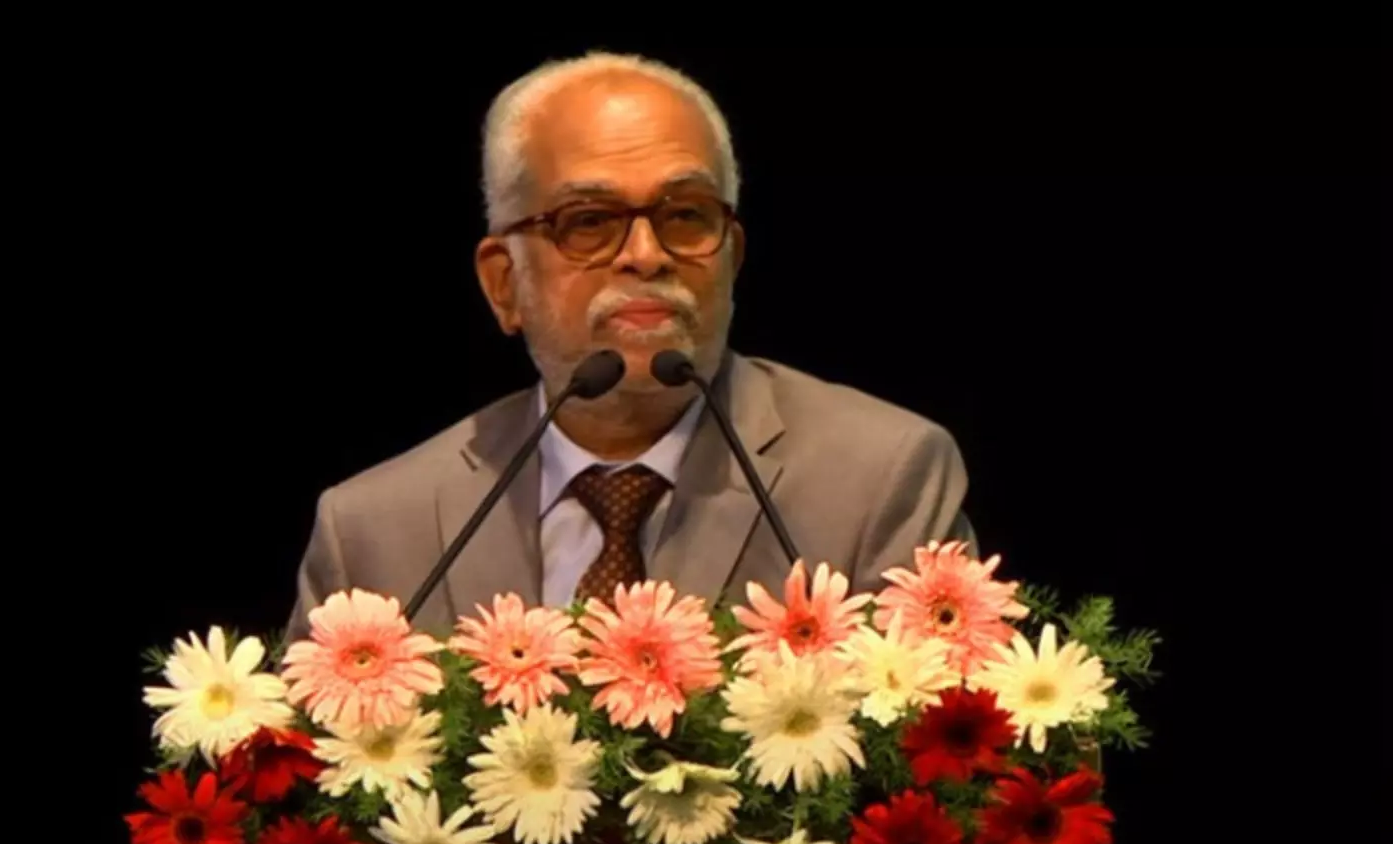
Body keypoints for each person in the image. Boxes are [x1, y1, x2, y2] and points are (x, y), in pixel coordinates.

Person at [284, 50, 976, 643]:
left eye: (685, 215)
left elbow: (934, 745)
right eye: (589, 221)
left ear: (731, 258)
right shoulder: (373, 532)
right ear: (504, 283)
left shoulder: (879, 479)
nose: (646, 255)